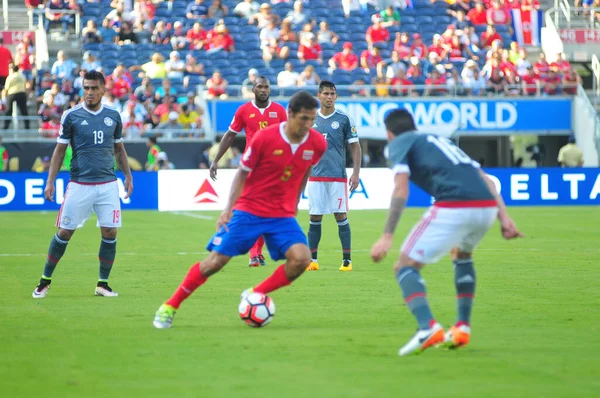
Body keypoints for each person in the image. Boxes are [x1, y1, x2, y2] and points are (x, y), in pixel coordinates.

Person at [153, 91, 327, 329]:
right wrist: (228, 209)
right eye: (304, 119)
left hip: (281, 214)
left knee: (302, 259)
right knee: (214, 262)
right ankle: (169, 306)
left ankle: (255, 293)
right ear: (290, 115)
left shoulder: (317, 143)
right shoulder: (265, 138)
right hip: (249, 210)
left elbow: (305, 169)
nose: (308, 125)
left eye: (312, 120)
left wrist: (295, 201)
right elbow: (242, 174)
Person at [370, 109, 523, 356]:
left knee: (404, 266)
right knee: (461, 255)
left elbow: (400, 188)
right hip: (486, 207)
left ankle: (427, 327)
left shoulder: (398, 143)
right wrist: (504, 218)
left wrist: (387, 235)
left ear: (389, 133)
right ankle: (462, 327)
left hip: (454, 205)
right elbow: (485, 178)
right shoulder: (440, 141)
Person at [32, 70, 134, 299]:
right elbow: (59, 151)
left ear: (103, 90)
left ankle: (103, 284)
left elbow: (119, 149)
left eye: (94, 88)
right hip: (80, 184)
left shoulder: (113, 116)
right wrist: (50, 181)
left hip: (108, 184)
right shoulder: (71, 116)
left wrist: (128, 176)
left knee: (110, 231)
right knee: (65, 231)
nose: (89, 92)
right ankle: (44, 281)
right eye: (86, 88)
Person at [209, 76, 287, 267]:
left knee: (268, 211)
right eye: (260, 86)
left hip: (274, 167)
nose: (263, 90)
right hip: (251, 167)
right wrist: (216, 160)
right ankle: (252, 253)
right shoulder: (244, 110)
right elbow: (229, 136)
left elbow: (288, 137)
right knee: (250, 209)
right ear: (253, 89)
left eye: (266, 87)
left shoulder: (279, 111)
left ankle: (256, 253)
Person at [306, 81, 362, 272]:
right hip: (314, 176)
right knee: (315, 216)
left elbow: (355, 145)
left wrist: (356, 173)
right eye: (326, 94)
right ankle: (312, 260)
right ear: (319, 96)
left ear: (336, 96)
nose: (329, 97)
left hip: (337, 176)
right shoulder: (310, 119)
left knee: (340, 215)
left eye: (332, 94)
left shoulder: (344, 118)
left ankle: (347, 261)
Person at [2, 63, 30, 130]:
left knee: (9, 110)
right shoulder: (22, 76)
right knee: (24, 110)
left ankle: (6, 126)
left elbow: (6, 88)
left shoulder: (10, 77)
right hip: (22, 93)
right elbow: (26, 85)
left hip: (12, 94)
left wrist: (4, 99)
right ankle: (27, 126)